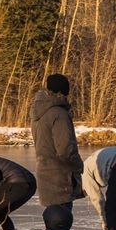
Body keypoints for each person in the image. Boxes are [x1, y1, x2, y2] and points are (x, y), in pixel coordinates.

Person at [32, 74, 84, 212]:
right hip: (60, 178)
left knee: (52, 222)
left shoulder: (38, 112)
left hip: (44, 175)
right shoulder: (58, 113)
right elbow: (65, 148)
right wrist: (78, 166)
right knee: (61, 222)